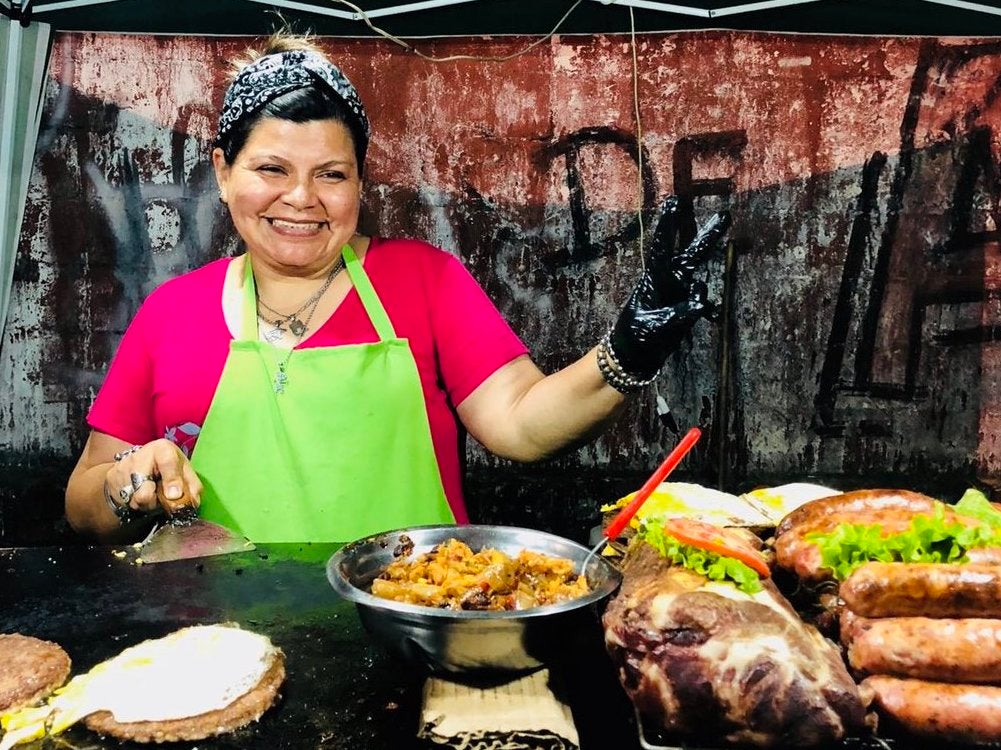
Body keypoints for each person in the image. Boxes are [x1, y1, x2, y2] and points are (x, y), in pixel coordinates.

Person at [64, 31, 730, 544]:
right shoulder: (172, 314)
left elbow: (524, 426)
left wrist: (627, 352)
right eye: (271, 167)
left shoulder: (422, 281)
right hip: (218, 644)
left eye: (331, 174)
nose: (301, 199)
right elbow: (83, 502)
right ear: (224, 169)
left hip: (407, 623)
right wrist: (130, 486)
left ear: (360, 182)